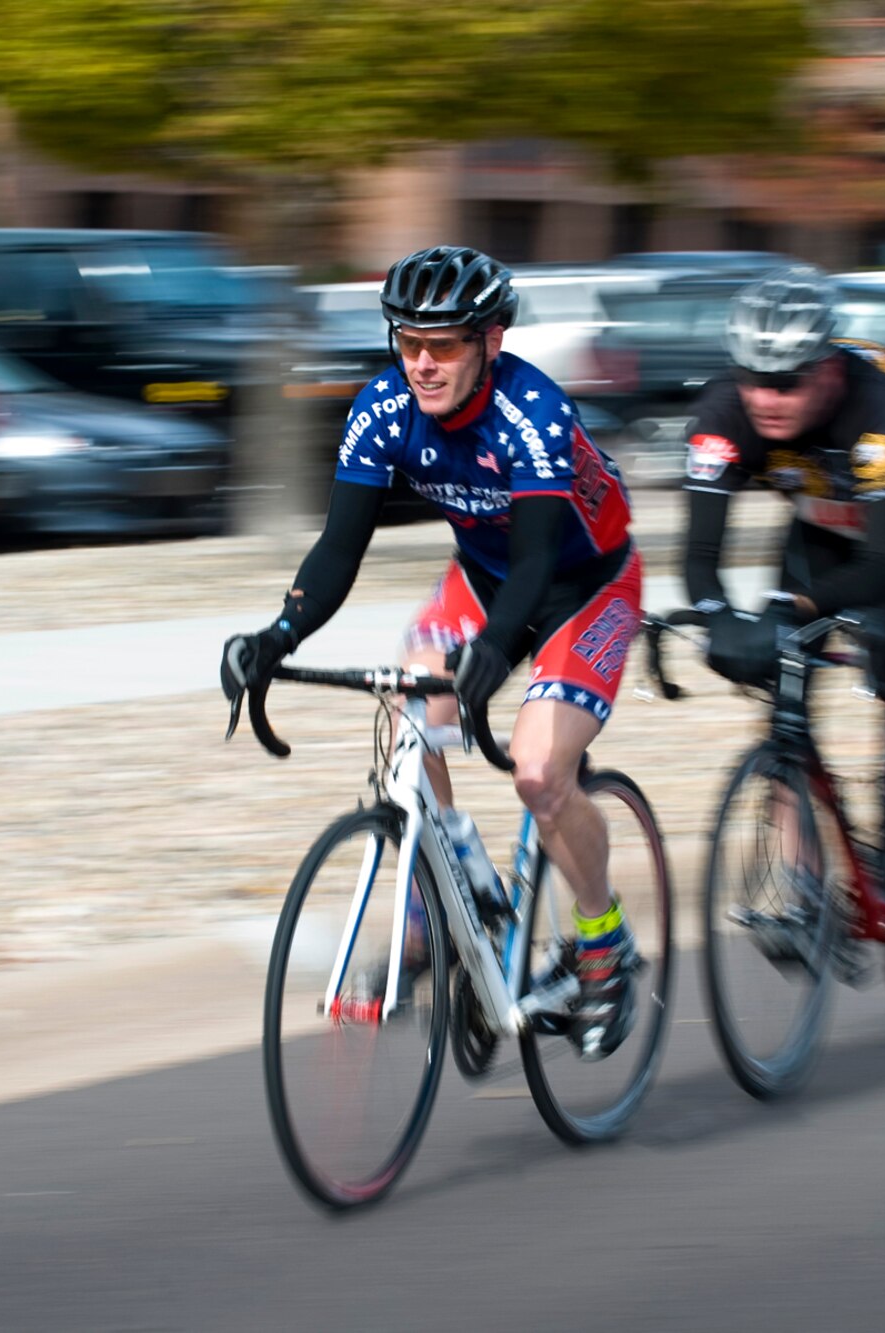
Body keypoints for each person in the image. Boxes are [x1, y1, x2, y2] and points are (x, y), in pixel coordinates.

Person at [218, 246, 644, 1059]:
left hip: (583, 584)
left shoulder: (533, 411)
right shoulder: (382, 408)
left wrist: (489, 652)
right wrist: (279, 634)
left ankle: (602, 945)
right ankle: (456, 886)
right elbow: (339, 550)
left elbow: (536, 563)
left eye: (443, 344)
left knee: (538, 775)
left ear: (491, 339)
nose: (421, 361)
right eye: (408, 340)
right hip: (487, 578)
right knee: (416, 694)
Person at [682, 266, 885, 916]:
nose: (765, 397)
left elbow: (882, 564)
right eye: (752, 378)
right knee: (784, 691)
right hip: (820, 524)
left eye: (786, 382)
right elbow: (700, 554)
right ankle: (803, 880)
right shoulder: (724, 412)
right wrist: (715, 616)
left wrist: (790, 607)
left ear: (828, 367)